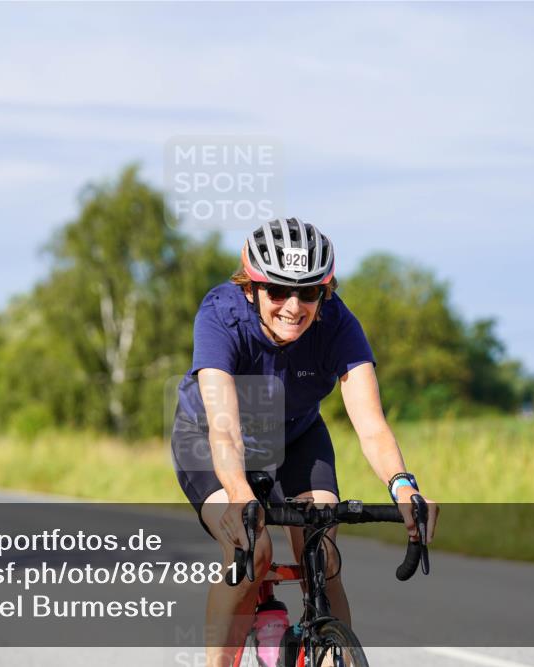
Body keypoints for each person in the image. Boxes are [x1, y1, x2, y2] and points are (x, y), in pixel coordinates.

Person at [171, 218, 440, 666]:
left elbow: (371, 424)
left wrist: (403, 487)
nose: (294, 307)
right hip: (209, 436)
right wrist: (239, 494)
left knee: (323, 553)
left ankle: (331, 651)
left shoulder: (338, 325)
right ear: (251, 287)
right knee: (251, 552)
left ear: (326, 291)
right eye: (277, 290)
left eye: (310, 292)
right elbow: (223, 426)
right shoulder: (220, 315)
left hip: (296, 436)